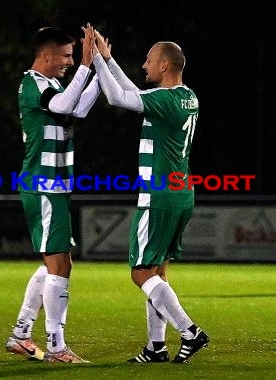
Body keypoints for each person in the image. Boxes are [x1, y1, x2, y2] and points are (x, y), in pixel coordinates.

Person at [91, 32, 210, 363]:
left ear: (165, 64)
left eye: (148, 60)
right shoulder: (187, 96)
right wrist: (110, 61)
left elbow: (117, 97)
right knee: (157, 275)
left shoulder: (166, 100)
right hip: (181, 192)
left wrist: (97, 59)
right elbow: (137, 93)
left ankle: (189, 332)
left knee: (140, 272)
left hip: (158, 195)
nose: (144, 65)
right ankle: (156, 347)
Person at [4, 25, 99, 364]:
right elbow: (62, 105)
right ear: (45, 55)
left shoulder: (53, 84)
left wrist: (99, 68)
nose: (70, 63)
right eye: (66, 56)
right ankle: (57, 347)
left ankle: (21, 334)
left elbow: (78, 108)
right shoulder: (33, 84)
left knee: (52, 264)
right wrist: (89, 66)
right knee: (61, 264)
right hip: (43, 185)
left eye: (73, 56)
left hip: (55, 186)